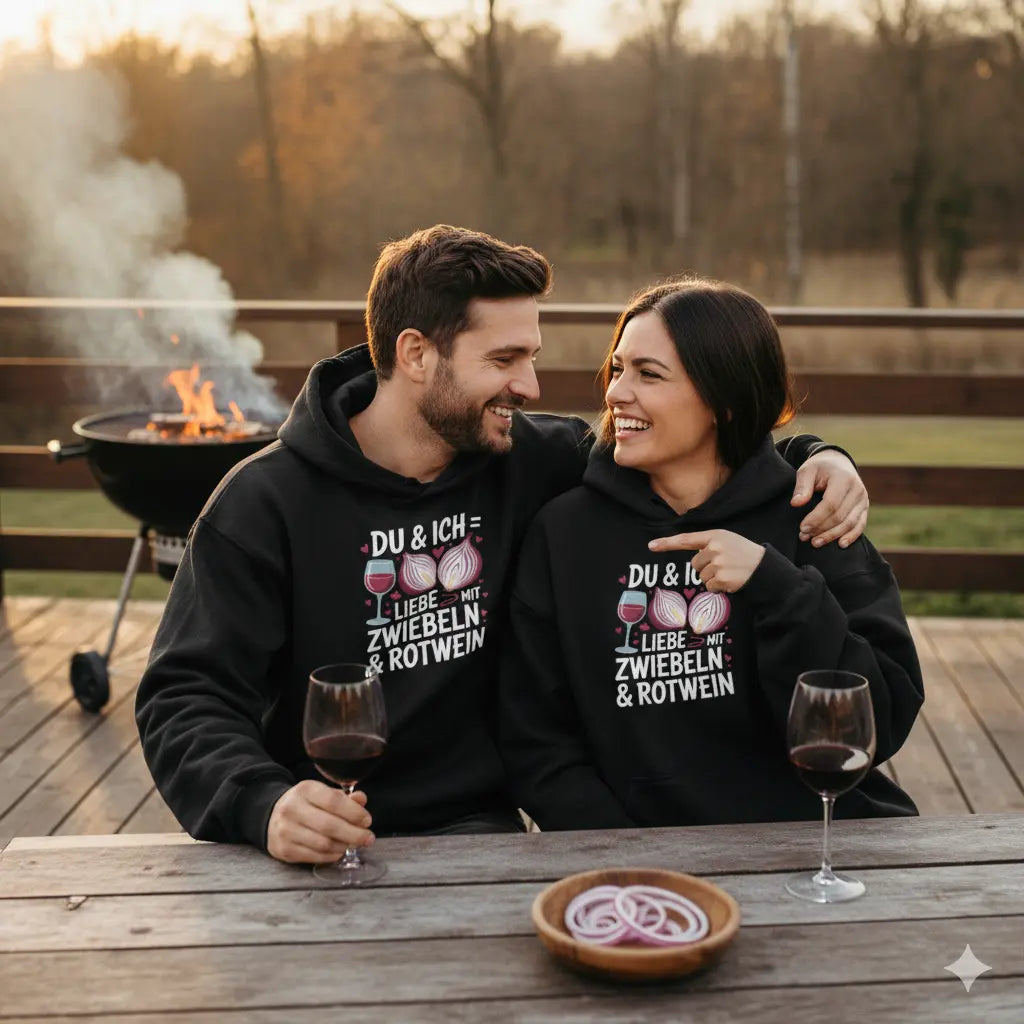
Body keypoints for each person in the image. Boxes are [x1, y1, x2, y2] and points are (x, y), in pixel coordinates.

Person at [136, 227, 870, 865]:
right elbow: (184, 695)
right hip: (319, 832)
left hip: (478, 831)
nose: (531, 384)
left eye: (532, 356)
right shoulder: (263, 505)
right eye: (504, 359)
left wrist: (817, 455)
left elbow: (694, 447)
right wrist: (261, 804)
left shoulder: (533, 460)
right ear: (417, 354)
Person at [499, 277, 923, 831]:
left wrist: (780, 589)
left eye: (649, 374)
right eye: (619, 367)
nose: (617, 392)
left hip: (819, 842)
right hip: (632, 861)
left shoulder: (813, 513)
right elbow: (536, 739)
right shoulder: (564, 532)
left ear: (723, 399)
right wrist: (623, 852)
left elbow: (881, 720)